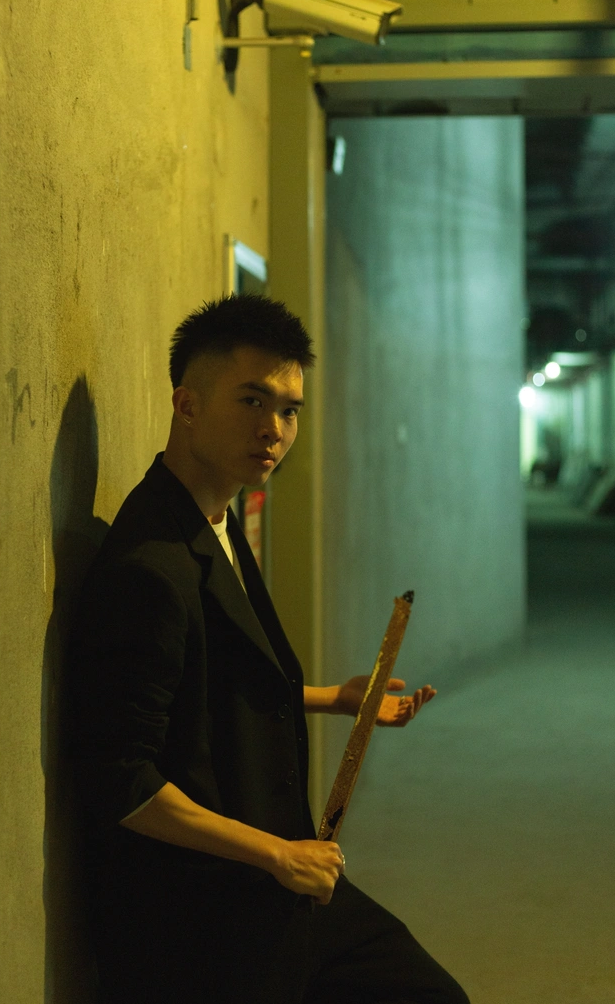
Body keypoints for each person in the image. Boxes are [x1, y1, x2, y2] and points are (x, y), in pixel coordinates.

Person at [69, 293, 470, 1004]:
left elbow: (208, 677)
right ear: (187, 404)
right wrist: (279, 855)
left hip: (267, 878)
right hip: (203, 914)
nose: (274, 429)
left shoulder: (216, 517)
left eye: (289, 410)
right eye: (252, 400)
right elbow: (119, 778)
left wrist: (331, 698)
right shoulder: (149, 565)